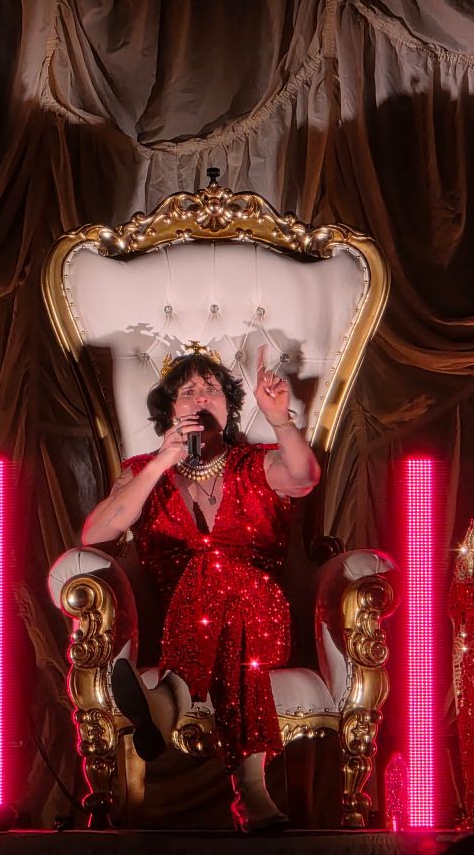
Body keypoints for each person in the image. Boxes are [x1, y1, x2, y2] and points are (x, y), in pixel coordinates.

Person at [82, 344, 321, 832]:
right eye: (187, 391)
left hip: (264, 614)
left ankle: (165, 701)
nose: (199, 398)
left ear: (228, 408)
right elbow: (96, 534)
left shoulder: (258, 462)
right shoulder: (145, 469)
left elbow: (304, 477)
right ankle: (252, 795)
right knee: (219, 601)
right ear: (171, 411)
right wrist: (159, 464)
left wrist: (280, 420)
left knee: (220, 570)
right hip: (187, 623)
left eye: (211, 390)